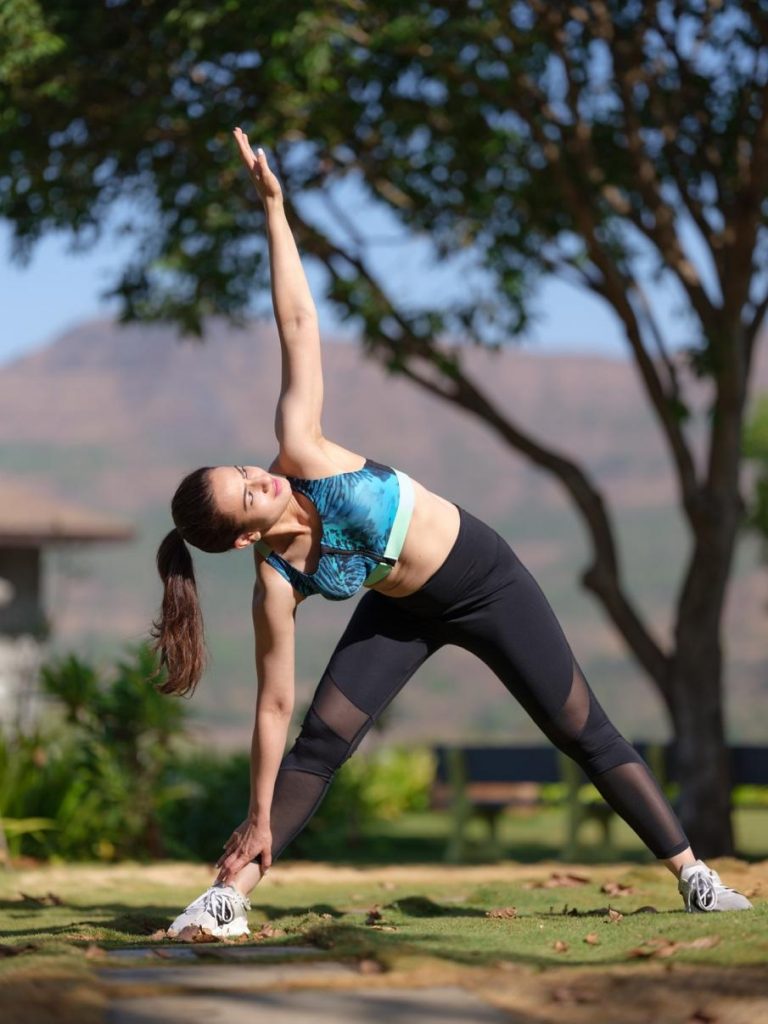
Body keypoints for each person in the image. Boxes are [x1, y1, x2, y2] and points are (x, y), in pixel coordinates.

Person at [155, 128, 752, 939]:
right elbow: (273, 703)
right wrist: (257, 813)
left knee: (581, 728)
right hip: (402, 610)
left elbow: (297, 321)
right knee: (318, 743)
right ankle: (229, 895)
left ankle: (694, 875)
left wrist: (275, 210)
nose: (259, 478)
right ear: (235, 540)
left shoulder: (301, 449)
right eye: (245, 495)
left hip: (484, 580)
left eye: (243, 471)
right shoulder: (275, 580)